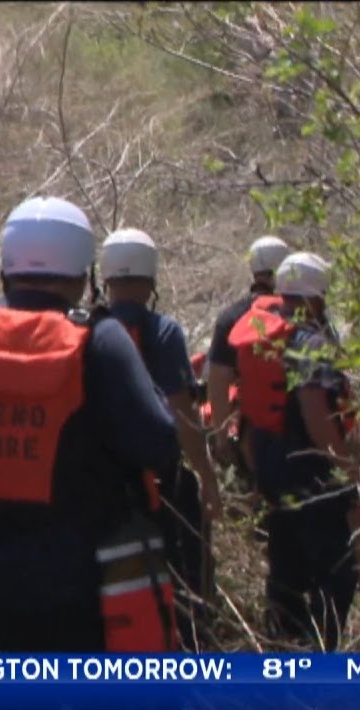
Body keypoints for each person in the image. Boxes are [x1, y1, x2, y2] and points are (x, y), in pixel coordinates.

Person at [0, 196, 183, 652]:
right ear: (82, 272)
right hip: (83, 601)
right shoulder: (101, 340)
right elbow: (158, 444)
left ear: (6, 265)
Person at [228, 251, 360, 651]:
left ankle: (280, 662)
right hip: (315, 483)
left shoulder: (263, 337)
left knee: (286, 581)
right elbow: (317, 415)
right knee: (337, 579)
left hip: (275, 480)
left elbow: (246, 414)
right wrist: (350, 470)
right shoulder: (311, 343)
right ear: (317, 296)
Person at [97, 228, 222, 650]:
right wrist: (206, 477)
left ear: (105, 277)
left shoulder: (86, 330)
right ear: (151, 280)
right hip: (161, 483)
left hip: (100, 483)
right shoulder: (165, 332)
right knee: (187, 574)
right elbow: (184, 416)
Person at [206, 235, 292, 509]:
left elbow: (217, 381)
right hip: (299, 429)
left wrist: (222, 438)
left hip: (253, 434)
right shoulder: (300, 312)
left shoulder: (232, 316)